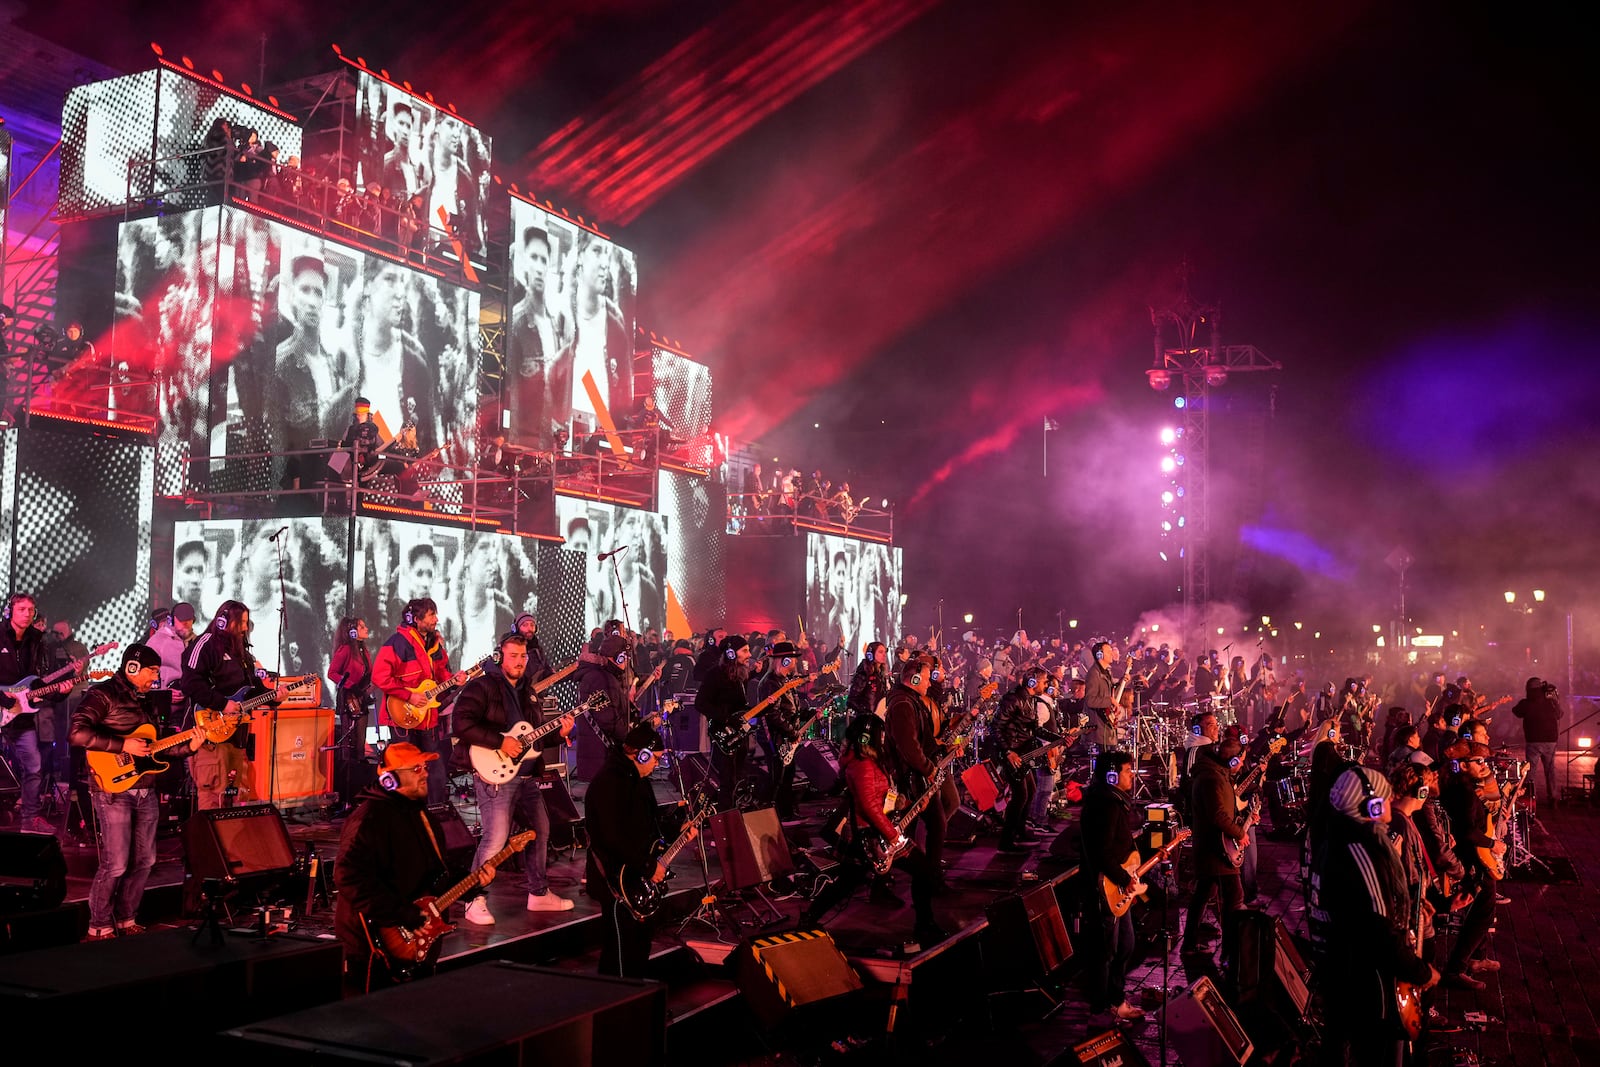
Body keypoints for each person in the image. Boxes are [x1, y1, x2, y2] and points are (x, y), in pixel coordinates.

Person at [71, 645, 203, 940]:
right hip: (113, 788)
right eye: (152, 671)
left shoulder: (148, 702)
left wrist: (190, 745)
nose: (156, 678)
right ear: (132, 668)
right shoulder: (102, 694)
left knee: (146, 861)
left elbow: (156, 749)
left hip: (146, 790)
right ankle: (99, 925)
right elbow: (78, 733)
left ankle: (127, 918)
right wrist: (123, 746)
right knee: (115, 863)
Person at [1310, 766, 1439, 1063]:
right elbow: (1378, 929)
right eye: (1384, 796)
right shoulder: (1359, 849)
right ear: (1372, 805)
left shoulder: (1336, 836)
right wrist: (1419, 971)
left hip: (1342, 975)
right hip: (1364, 984)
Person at [334, 741, 476, 994]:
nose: (425, 773)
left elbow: (433, 872)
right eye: (416, 768)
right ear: (390, 779)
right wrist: (401, 914)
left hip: (416, 941)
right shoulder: (369, 819)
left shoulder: (422, 815)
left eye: (425, 767)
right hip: (375, 946)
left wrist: (468, 885)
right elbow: (348, 877)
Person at [452, 632, 575, 923]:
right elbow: (460, 723)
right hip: (495, 775)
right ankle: (474, 899)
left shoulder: (528, 692)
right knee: (495, 839)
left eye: (523, 657)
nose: (519, 662)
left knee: (539, 831)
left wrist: (560, 733)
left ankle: (539, 894)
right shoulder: (482, 686)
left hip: (527, 776)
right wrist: (499, 741)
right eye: (514, 656)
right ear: (501, 657)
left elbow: (532, 737)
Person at [802, 713, 944, 945]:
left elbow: (882, 800)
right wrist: (894, 836)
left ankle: (809, 918)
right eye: (881, 734)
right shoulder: (862, 765)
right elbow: (870, 807)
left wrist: (908, 805)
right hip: (872, 836)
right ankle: (924, 926)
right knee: (924, 872)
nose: (885, 737)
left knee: (846, 882)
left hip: (872, 833)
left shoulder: (868, 762)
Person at [584, 722, 675, 977]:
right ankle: (617, 1005)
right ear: (641, 754)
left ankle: (635, 1000)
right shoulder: (610, 782)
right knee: (619, 951)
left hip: (635, 876)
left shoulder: (639, 780)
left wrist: (678, 828)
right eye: (654, 758)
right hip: (615, 880)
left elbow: (649, 825)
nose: (656, 764)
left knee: (638, 945)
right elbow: (612, 836)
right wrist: (648, 866)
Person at [179, 600, 282, 809]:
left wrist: (274, 697)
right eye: (241, 622)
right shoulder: (205, 644)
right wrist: (222, 704)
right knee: (212, 796)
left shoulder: (242, 651)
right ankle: (208, 841)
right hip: (210, 734)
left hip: (236, 734)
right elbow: (190, 683)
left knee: (235, 795)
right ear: (224, 622)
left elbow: (253, 689)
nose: (245, 628)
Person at [372, 597, 465, 806]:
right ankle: (404, 813)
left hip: (427, 718)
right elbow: (379, 677)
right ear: (415, 619)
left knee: (435, 769)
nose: (436, 619)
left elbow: (441, 672)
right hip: (402, 718)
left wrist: (454, 680)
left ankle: (435, 812)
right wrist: (409, 695)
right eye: (431, 615)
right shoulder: (397, 642)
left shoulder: (433, 644)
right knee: (405, 768)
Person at [1079, 750, 1146, 1023]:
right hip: (1106, 889)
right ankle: (1100, 1009)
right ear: (1111, 775)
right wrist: (1123, 878)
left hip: (1119, 887)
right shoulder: (1105, 805)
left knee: (1126, 945)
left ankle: (1116, 1000)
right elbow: (1101, 853)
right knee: (1105, 951)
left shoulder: (1113, 801)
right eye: (1128, 771)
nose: (1132, 775)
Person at [885, 653, 959, 873]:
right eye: (926, 678)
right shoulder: (903, 705)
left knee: (921, 827)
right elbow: (910, 748)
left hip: (917, 776)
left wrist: (945, 749)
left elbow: (924, 742)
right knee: (933, 825)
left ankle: (923, 874)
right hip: (912, 778)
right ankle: (929, 877)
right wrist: (929, 770)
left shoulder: (911, 702)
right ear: (914, 679)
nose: (930, 682)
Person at [1181, 734, 1250, 963]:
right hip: (1216, 852)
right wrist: (1240, 834)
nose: (1241, 765)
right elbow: (1218, 816)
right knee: (1235, 897)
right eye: (1240, 761)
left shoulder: (1217, 775)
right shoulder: (1212, 778)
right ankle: (1230, 952)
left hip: (1214, 849)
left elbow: (1225, 810)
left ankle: (1190, 944)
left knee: (1204, 893)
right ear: (1232, 761)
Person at [1440, 739, 1503, 990]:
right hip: (1474, 856)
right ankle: (1456, 968)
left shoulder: (1458, 784)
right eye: (1479, 761)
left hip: (1471, 855)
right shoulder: (1464, 791)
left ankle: (1471, 961)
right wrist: (1492, 844)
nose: (1483, 765)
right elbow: (1468, 831)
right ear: (1464, 765)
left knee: (1480, 911)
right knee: (1482, 914)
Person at [1, 593, 63, 833]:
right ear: (10, 611)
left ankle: (30, 819)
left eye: (31, 610)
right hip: (3, 705)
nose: (27, 613)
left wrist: (59, 692)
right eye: (22, 609)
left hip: (22, 715)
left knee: (34, 765)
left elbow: (38, 683)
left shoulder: (37, 641)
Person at [695, 634, 754, 811]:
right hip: (724, 734)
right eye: (744, 651)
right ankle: (726, 819)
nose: (749, 654)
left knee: (738, 776)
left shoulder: (741, 674)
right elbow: (701, 703)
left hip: (739, 734)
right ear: (730, 653)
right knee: (727, 779)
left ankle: (736, 813)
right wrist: (726, 718)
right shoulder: (715, 674)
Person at [329, 616, 374, 806]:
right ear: (352, 631)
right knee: (350, 742)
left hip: (361, 698)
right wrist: (350, 686)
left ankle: (359, 793)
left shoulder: (364, 650)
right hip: (349, 698)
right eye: (362, 626)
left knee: (360, 742)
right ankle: (347, 795)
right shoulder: (346, 649)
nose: (366, 629)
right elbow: (332, 673)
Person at [1512, 677, 1562, 804]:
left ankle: (1530, 797)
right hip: (1550, 740)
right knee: (1550, 770)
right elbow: (1560, 714)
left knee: (1531, 771)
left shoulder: (1527, 703)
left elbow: (1516, 711)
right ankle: (1553, 797)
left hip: (1533, 740)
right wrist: (1556, 700)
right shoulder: (1549, 701)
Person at [1084, 640, 1121, 752]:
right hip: (1100, 728)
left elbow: (1111, 694)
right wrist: (1109, 700)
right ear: (1099, 655)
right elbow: (1090, 700)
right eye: (1109, 651)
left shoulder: (1105, 672)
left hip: (1107, 726)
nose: (1112, 654)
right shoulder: (1094, 674)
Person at [846, 641, 890, 718]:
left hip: (880, 720)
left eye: (885, 652)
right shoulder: (864, 673)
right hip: (867, 722)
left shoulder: (881, 674)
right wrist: (866, 713)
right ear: (871, 654)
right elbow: (851, 700)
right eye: (880, 652)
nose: (884, 655)